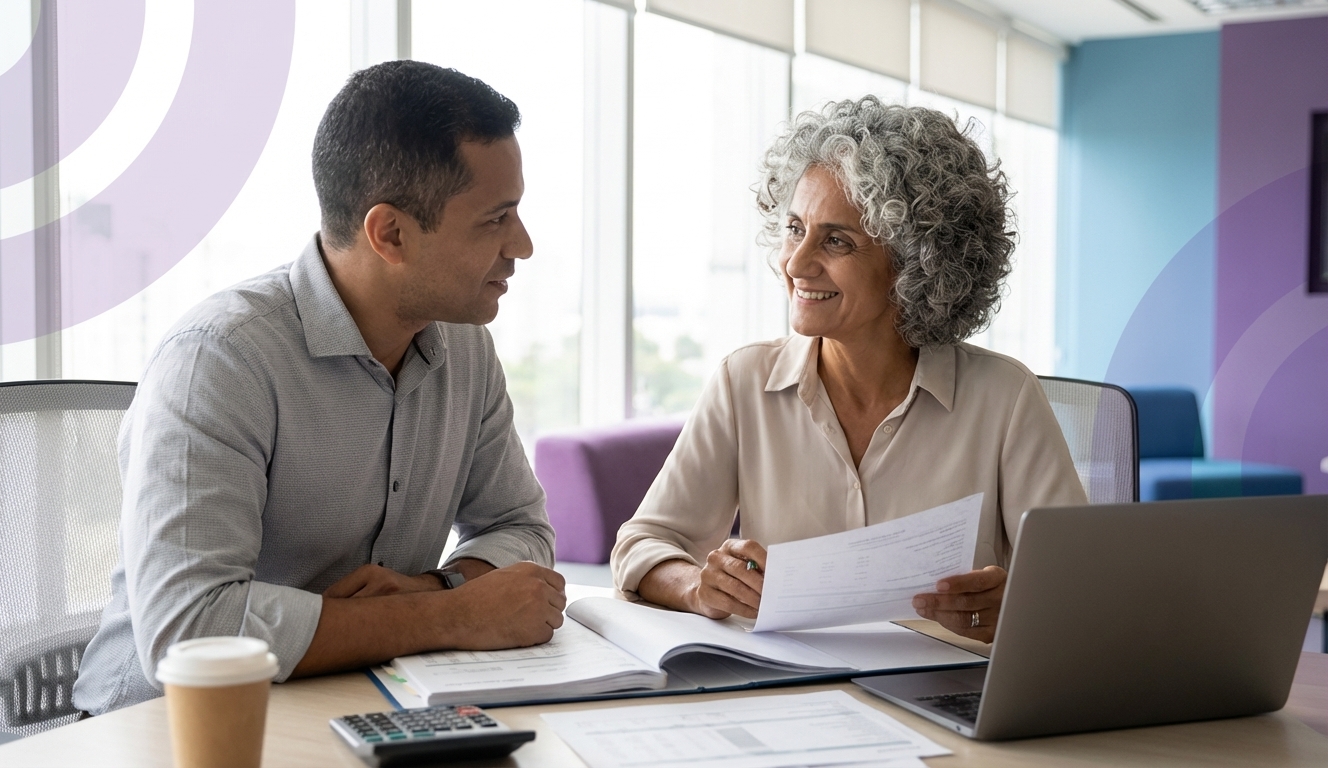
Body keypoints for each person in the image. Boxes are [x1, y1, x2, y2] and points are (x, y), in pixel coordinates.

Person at [74, 61, 565, 715]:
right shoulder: (219, 360)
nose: (522, 245)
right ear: (390, 233)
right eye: (495, 219)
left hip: (353, 701)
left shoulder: (465, 349)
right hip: (163, 728)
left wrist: (434, 587)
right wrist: (453, 615)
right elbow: (190, 629)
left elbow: (518, 525)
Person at [611, 96, 1086, 644]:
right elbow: (643, 545)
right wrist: (699, 586)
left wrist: (1020, 605)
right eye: (795, 228)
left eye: (836, 240)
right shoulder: (744, 382)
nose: (795, 263)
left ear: (916, 261)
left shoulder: (1004, 396)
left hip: (949, 686)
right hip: (791, 687)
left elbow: (1080, 587)